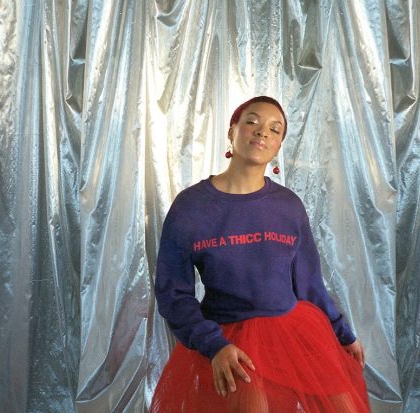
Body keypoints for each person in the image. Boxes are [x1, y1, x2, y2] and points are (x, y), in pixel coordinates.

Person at [149, 96, 370, 412]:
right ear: (232, 131)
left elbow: (309, 285)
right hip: (228, 340)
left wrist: (343, 335)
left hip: (294, 332)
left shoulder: (288, 206)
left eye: (275, 129)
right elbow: (173, 294)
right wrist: (214, 345)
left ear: (278, 147)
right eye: (252, 121)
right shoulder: (191, 207)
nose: (262, 131)